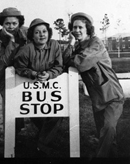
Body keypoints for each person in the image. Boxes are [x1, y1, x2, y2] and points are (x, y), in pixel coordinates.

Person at [63, 12, 125, 158]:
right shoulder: (78, 46)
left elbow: (81, 63)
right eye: (74, 27)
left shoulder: (96, 43)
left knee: (108, 128)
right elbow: (64, 61)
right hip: (97, 98)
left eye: (80, 27)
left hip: (112, 95)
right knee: (106, 136)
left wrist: (71, 58)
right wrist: (71, 44)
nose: (76, 30)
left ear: (88, 29)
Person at [14, 18, 63, 157]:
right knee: (37, 115)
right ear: (31, 35)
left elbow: (59, 66)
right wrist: (33, 74)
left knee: (57, 114)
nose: (42, 35)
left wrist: (49, 74)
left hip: (51, 90)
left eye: (44, 31)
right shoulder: (26, 49)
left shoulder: (55, 45)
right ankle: (44, 142)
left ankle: (41, 146)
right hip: (31, 92)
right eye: (37, 32)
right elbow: (19, 67)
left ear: (48, 33)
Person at [0, 7, 27, 131]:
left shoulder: (27, 32)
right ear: (2, 24)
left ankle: (21, 128)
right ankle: (12, 132)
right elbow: (5, 60)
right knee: (10, 98)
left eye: (14, 23)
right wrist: (12, 40)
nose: (11, 26)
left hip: (21, 66)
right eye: (7, 24)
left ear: (19, 23)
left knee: (26, 97)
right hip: (1, 69)